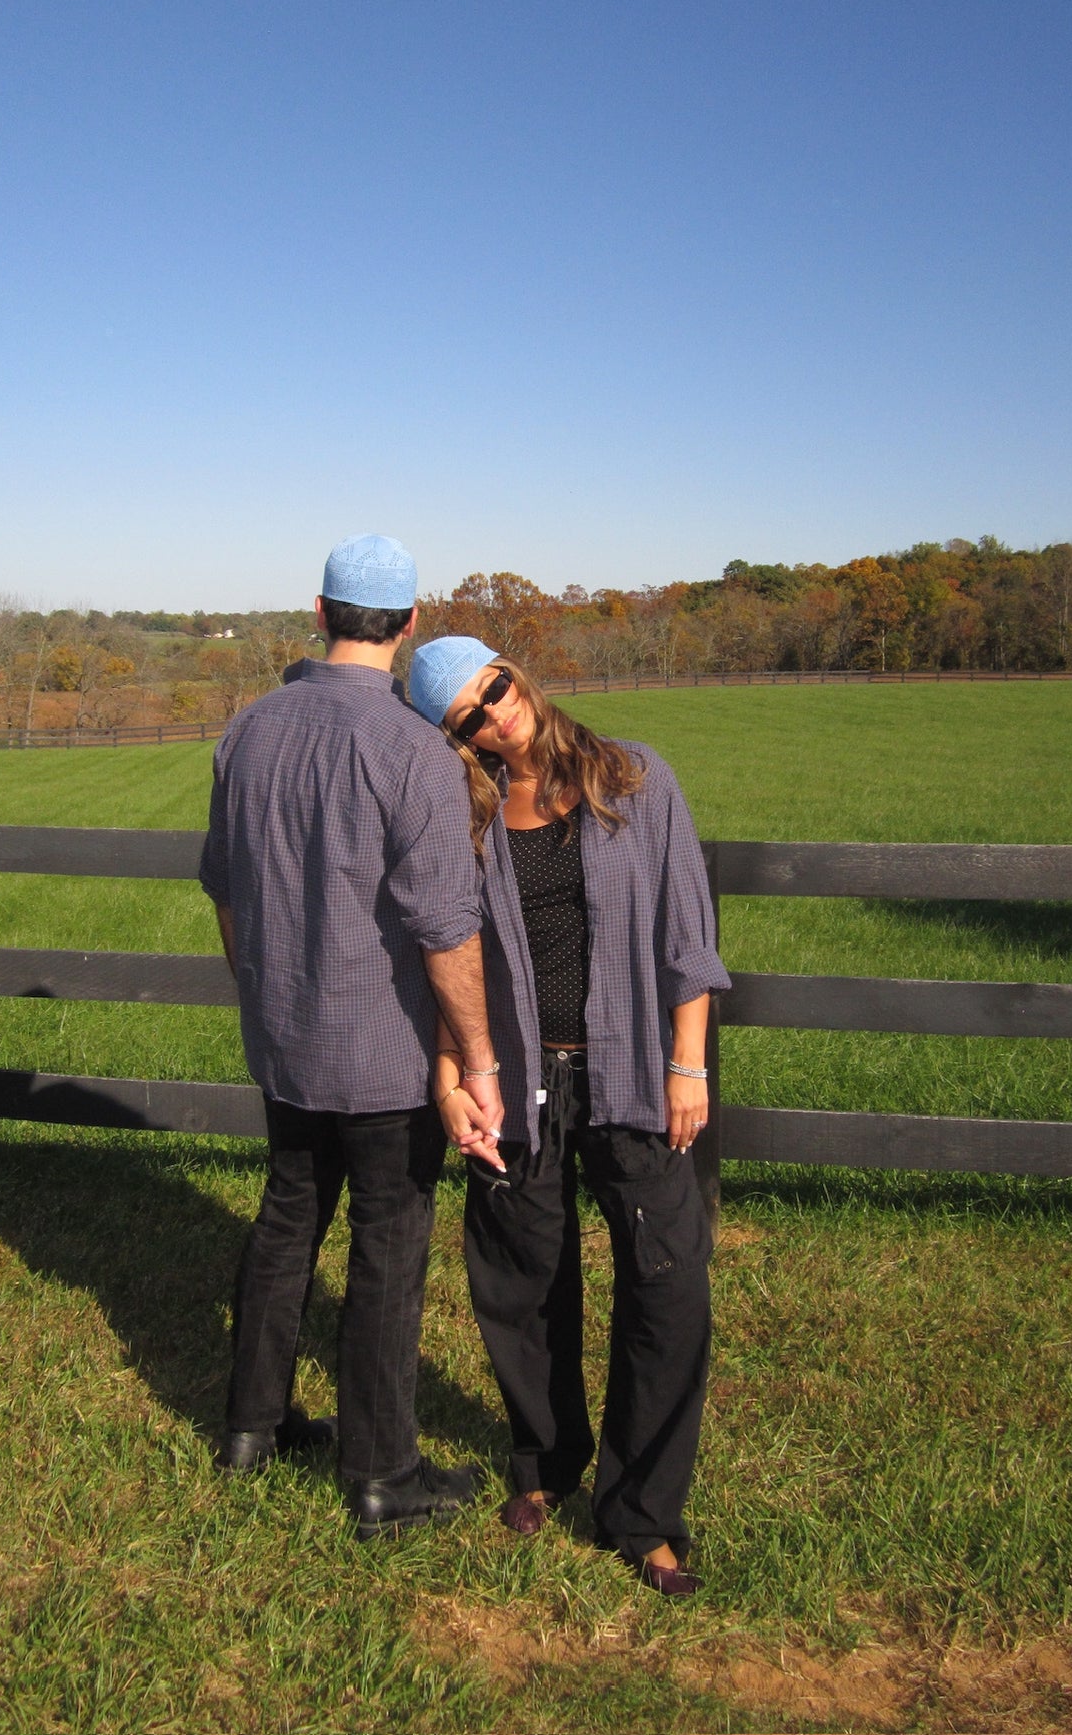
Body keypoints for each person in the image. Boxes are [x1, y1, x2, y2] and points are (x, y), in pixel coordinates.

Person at [407, 636, 730, 1596]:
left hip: (632, 1072)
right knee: (521, 1277)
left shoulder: (631, 777)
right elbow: (442, 952)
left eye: (494, 688)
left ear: (518, 674)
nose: (492, 713)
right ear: (452, 736)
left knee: (666, 1284)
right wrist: (452, 1071)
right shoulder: (462, 814)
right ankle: (542, 1463)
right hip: (516, 1081)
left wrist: (686, 1062)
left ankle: (641, 1512)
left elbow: (687, 930)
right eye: (466, 714)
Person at [199, 538, 507, 1539]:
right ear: (409, 623)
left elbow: (226, 893)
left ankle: (251, 1425)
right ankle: (381, 1475)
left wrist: (257, 990)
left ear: (321, 610)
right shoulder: (411, 747)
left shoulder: (246, 732)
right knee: (386, 1248)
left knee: (287, 1217)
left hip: (284, 1037)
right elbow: (444, 928)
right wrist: (478, 1054)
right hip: (382, 1054)